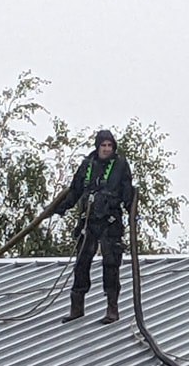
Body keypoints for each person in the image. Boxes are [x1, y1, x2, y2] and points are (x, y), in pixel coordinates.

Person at [54, 129, 134, 324]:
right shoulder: (86, 166)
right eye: (103, 145)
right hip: (87, 222)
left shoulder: (121, 166)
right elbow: (74, 191)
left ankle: (112, 309)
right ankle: (76, 308)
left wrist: (132, 213)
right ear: (97, 147)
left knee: (111, 263)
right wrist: (60, 208)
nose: (106, 149)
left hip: (110, 222)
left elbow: (127, 192)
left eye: (109, 146)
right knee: (81, 263)